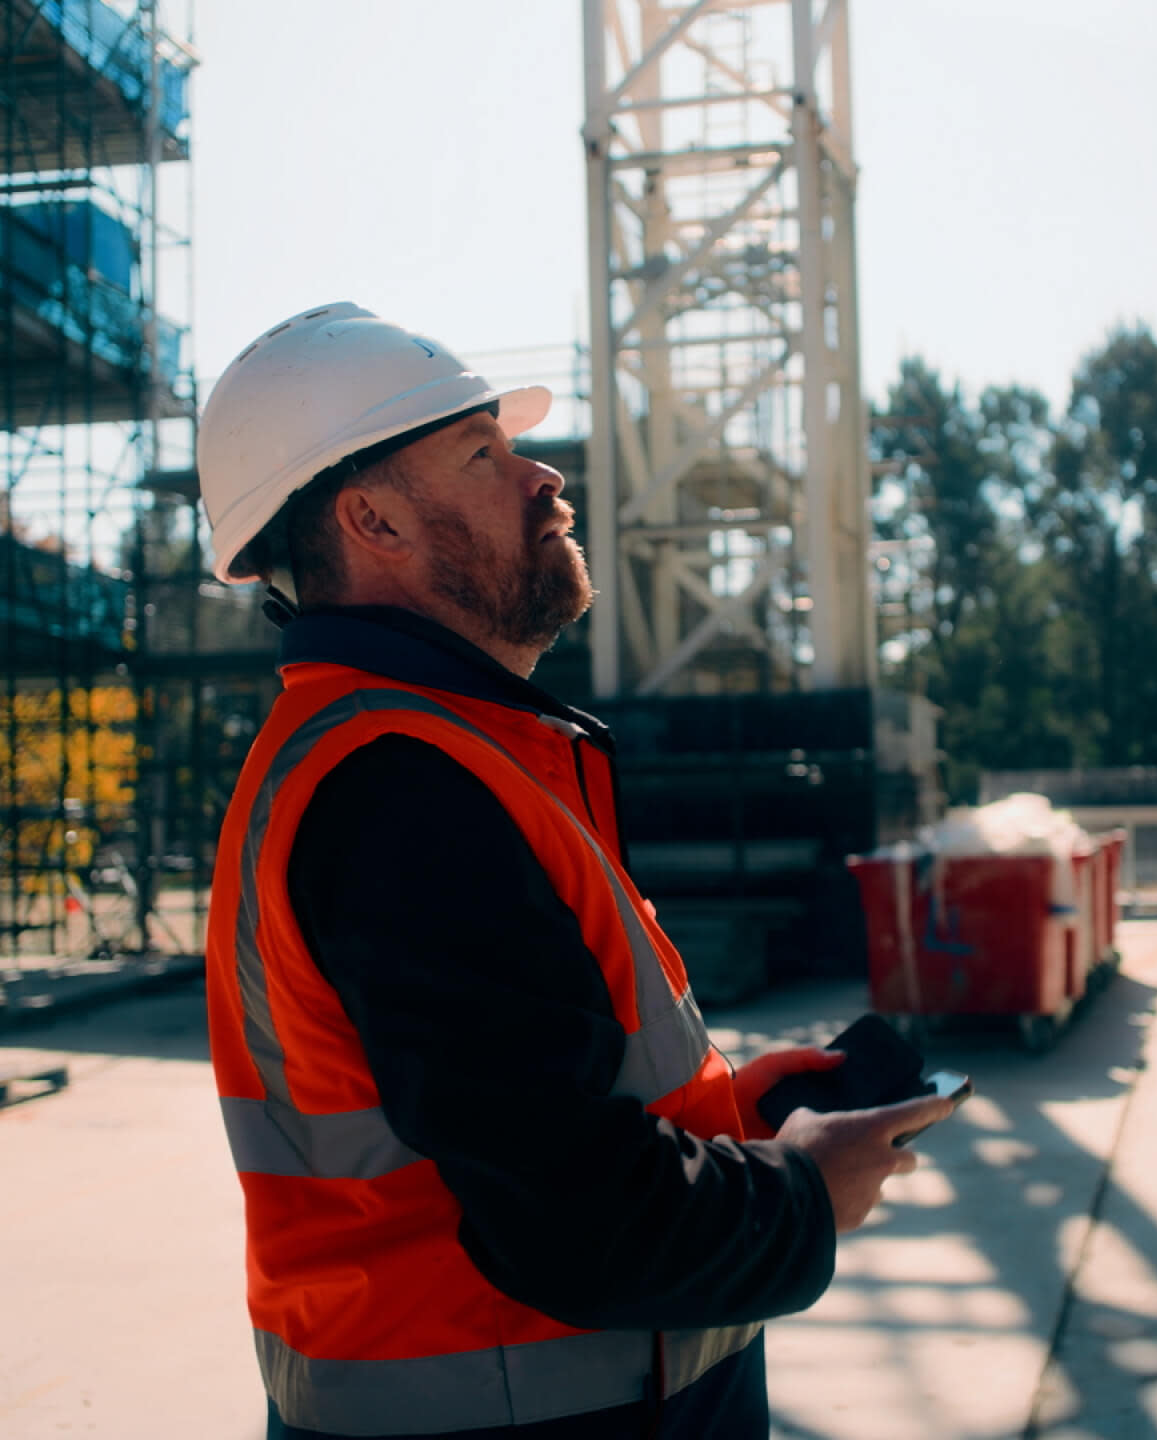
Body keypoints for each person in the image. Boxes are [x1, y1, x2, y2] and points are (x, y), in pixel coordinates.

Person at [198, 303, 957, 1440]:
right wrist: (799, 1194)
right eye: (482, 455)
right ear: (373, 522)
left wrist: (744, 1117)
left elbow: (523, 1124)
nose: (544, 477)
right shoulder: (402, 790)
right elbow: (575, 1221)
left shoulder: (449, 754)